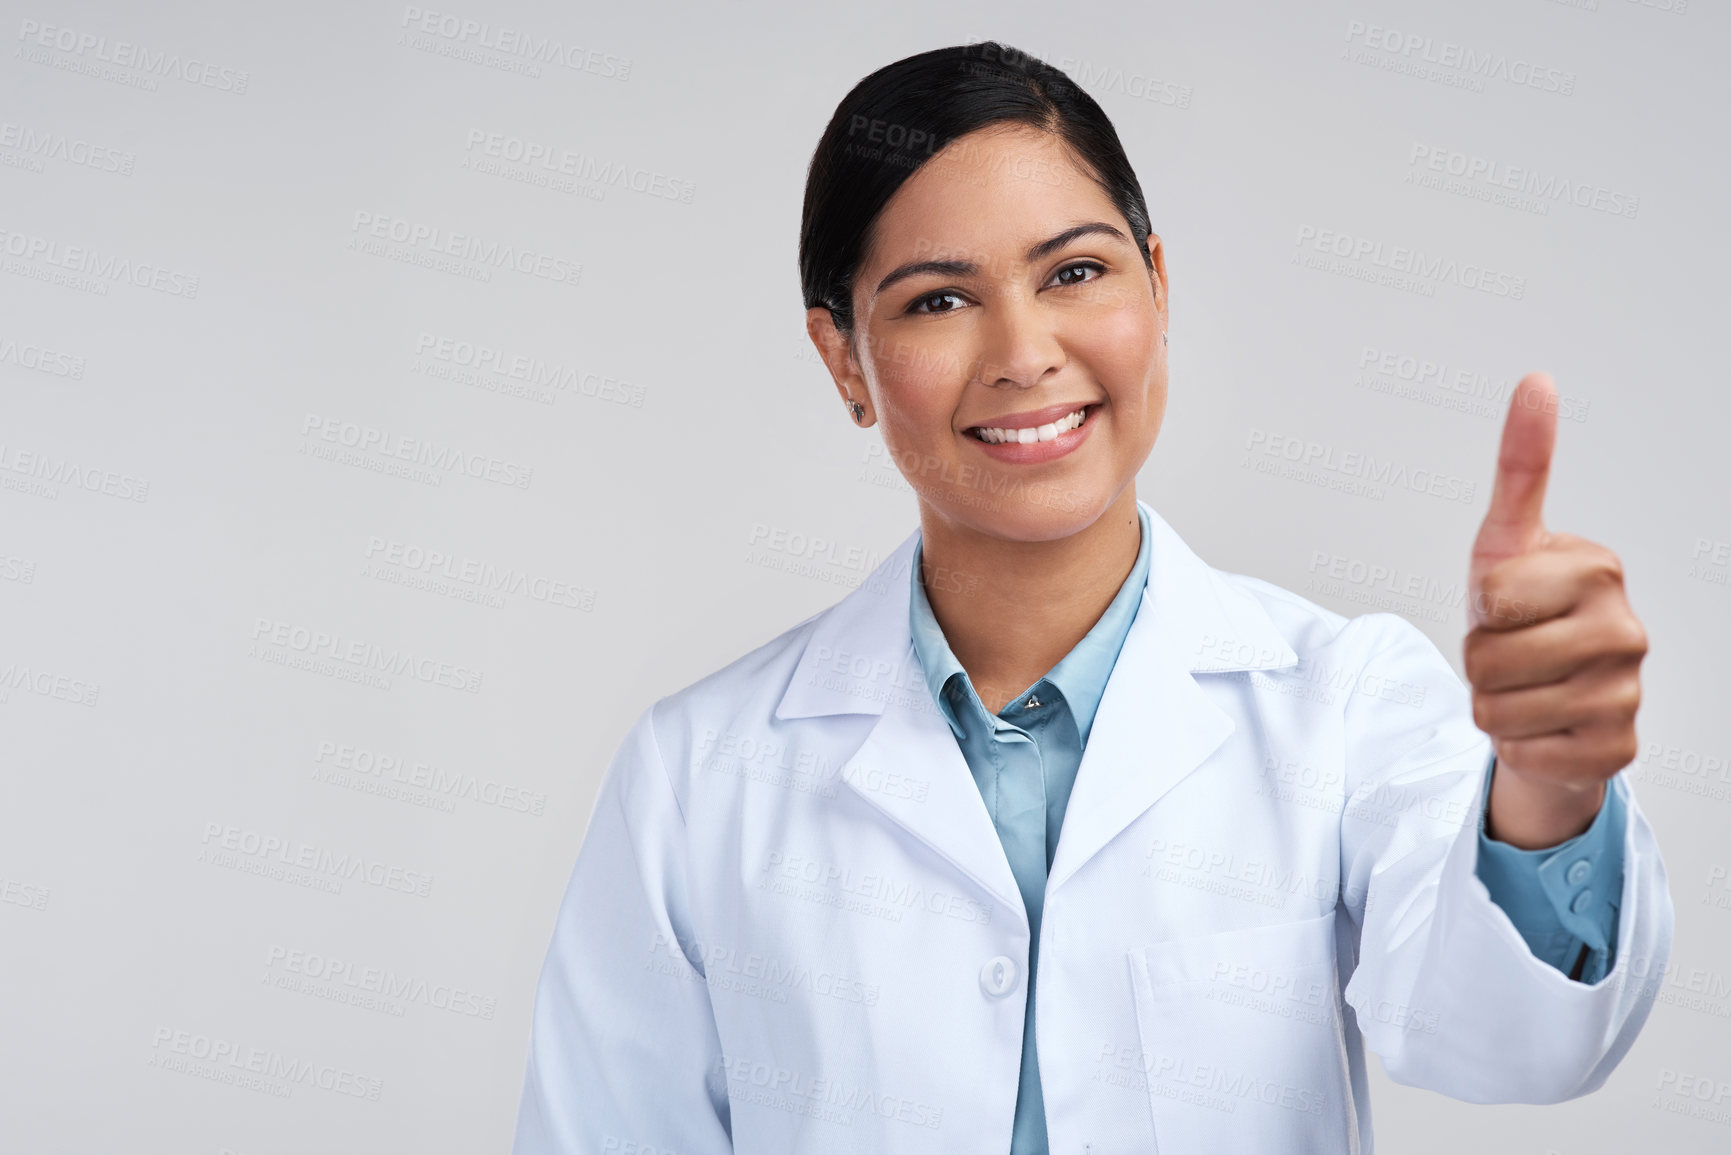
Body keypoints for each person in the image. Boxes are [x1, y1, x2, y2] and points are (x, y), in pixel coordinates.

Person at [511, 42, 1671, 1154]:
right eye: (936, 301)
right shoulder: (695, 778)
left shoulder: (1343, 702)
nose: (1024, 353)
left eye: (1075, 273)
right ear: (845, 360)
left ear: (1157, 285)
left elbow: (1516, 1045)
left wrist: (1551, 789)